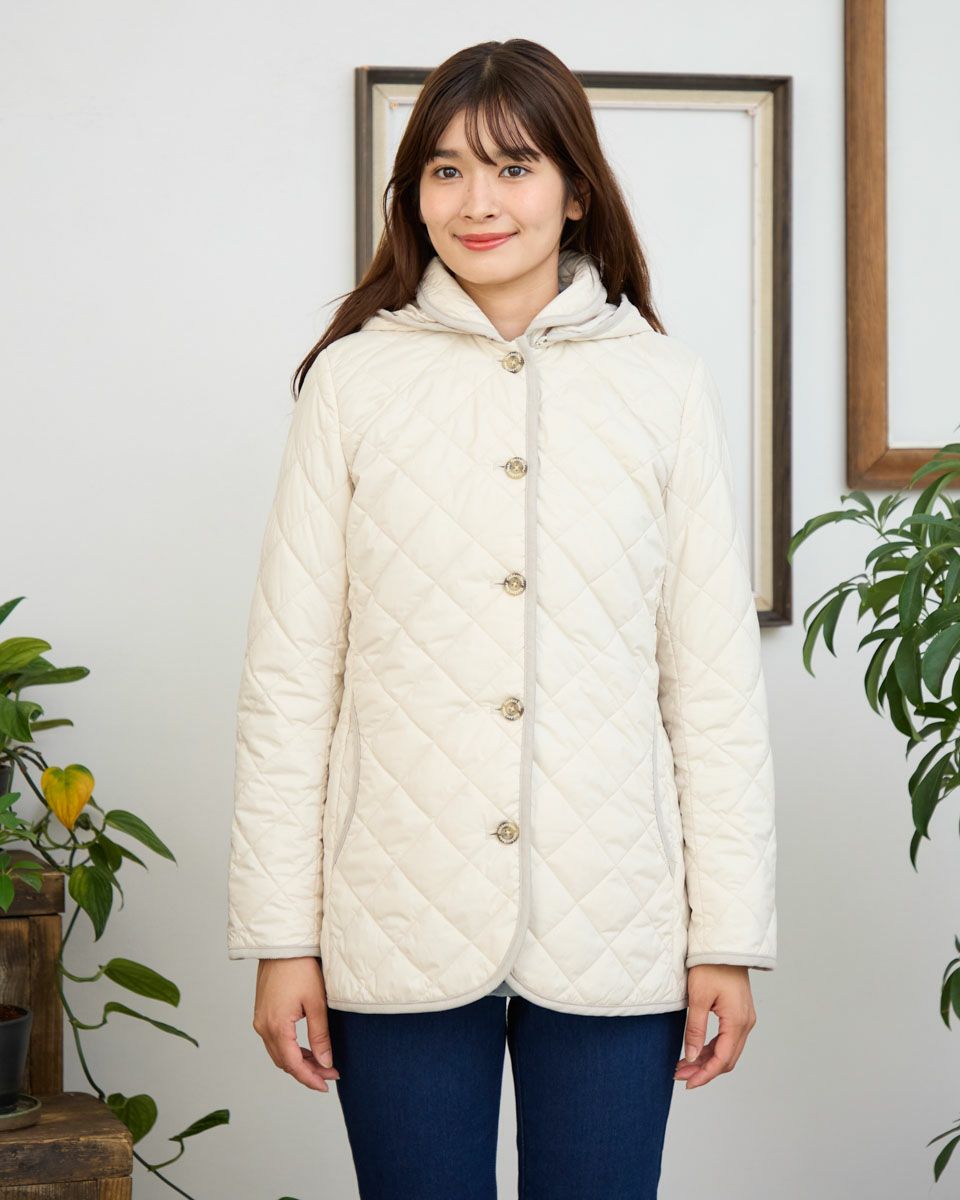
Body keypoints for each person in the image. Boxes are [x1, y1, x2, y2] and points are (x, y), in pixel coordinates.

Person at [226, 37, 777, 1200]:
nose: (477, 202)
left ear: (575, 190)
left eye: (514, 167)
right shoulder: (352, 385)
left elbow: (713, 686)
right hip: (395, 913)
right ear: (413, 194)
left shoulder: (662, 387)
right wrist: (282, 939)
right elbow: (290, 683)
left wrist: (727, 937)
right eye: (446, 170)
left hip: (615, 921)